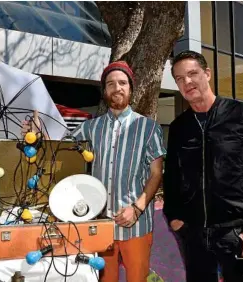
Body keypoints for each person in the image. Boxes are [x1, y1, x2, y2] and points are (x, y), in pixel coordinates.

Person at [22, 61, 166, 282]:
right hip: (99, 225)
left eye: (122, 83)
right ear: (104, 91)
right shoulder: (89, 128)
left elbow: (156, 174)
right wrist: (37, 135)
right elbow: (59, 152)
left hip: (136, 224)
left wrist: (137, 209)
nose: (116, 88)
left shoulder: (148, 128)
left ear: (130, 88)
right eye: (110, 84)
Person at [163, 50, 243, 281]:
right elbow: (173, 177)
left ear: (207, 74)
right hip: (194, 235)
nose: (187, 82)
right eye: (179, 78)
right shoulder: (179, 126)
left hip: (237, 234)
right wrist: (174, 217)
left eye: (192, 73)